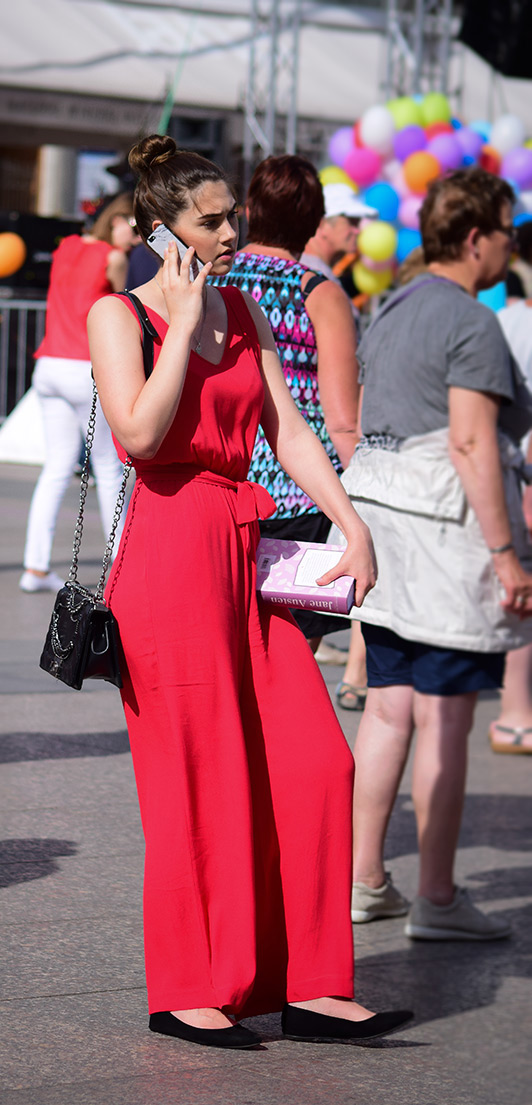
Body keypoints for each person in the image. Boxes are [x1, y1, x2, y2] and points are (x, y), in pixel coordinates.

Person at [87, 134, 411, 1049]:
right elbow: (143, 438)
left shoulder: (245, 307)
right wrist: (183, 325)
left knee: (317, 762)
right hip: (167, 551)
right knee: (196, 779)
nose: (231, 232)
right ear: (161, 229)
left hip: (246, 547)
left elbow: (291, 429)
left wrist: (350, 522)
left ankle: (311, 984)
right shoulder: (123, 315)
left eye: (232, 216)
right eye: (212, 219)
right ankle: (190, 986)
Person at [339, 169, 532, 939]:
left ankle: (364, 879)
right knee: (446, 721)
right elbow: (470, 439)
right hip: (444, 540)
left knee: (386, 711)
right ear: (478, 237)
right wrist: (507, 554)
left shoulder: (393, 306)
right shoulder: (469, 320)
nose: (511, 246)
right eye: (509, 232)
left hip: (382, 533)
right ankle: (439, 898)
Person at [211, 154, 360, 658]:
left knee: (231, 646)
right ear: (315, 222)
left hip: (226, 479)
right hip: (299, 493)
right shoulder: (317, 292)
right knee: (290, 656)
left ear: (249, 208)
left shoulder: (213, 281)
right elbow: (341, 418)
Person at [20, 194, 137, 593]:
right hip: (83, 366)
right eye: (133, 228)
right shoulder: (113, 257)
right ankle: (122, 562)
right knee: (108, 467)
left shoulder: (66, 247)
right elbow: (124, 310)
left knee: (55, 468)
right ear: (116, 221)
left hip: (49, 364)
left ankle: (34, 567)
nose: (136, 239)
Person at [299, 180, 379, 709]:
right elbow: (340, 403)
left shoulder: (312, 277)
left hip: (280, 462)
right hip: (307, 467)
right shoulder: (317, 283)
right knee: (299, 620)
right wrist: (358, 471)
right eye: (349, 220)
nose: (357, 231)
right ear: (322, 223)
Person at [488, 288, 532, 753]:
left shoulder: (502, 319)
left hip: (508, 470)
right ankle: (517, 714)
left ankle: (514, 710)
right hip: (521, 469)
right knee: (523, 586)